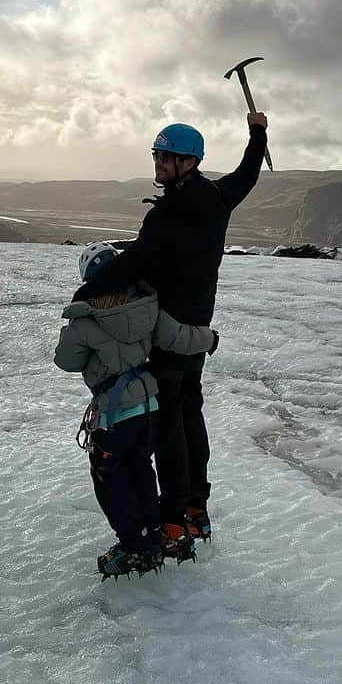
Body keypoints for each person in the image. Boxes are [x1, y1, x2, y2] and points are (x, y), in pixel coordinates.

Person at [73, 112, 268, 558]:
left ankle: (175, 518)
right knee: (189, 412)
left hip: (168, 329)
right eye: (157, 154)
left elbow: (139, 260)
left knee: (168, 425)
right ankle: (195, 508)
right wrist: (258, 133)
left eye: (168, 157)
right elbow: (247, 175)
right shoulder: (216, 196)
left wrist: (89, 290)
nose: (160, 162)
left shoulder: (172, 212)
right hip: (198, 324)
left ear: (189, 161)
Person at [54, 241, 217, 578]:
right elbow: (180, 338)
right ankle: (154, 535)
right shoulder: (147, 307)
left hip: (114, 413)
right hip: (148, 405)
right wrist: (210, 339)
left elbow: (66, 361)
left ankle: (134, 544)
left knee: (110, 476)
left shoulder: (85, 320)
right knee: (141, 468)